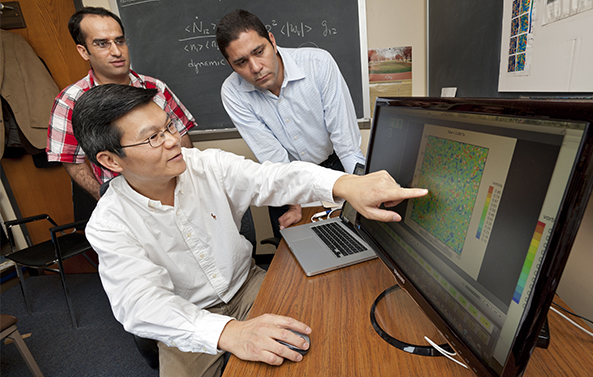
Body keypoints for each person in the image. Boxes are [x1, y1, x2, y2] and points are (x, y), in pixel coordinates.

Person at [72, 84, 427, 377]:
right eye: (153, 138)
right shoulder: (109, 224)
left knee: (322, 349)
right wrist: (229, 332)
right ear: (110, 160)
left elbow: (274, 178)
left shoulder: (206, 164)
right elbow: (142, 305)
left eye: (169, 127)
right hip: (188, 318)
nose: (172, 141)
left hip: (248, 286)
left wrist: (347, 184)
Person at [216, 9, 366, 238]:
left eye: (259, 51)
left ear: (272, 41)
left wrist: (362, 189)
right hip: (283, 180)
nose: (255, 67)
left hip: (333, 167)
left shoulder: (318, 64)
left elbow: (346, 145)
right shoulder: (233, 93)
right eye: (241, 62)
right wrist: (294, 203)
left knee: (351, 238)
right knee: (295, 256)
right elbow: (272, 156)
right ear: (230, 64)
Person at [47, 7, 197, 200]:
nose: (116, 51)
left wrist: (187, 183)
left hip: (177, 191)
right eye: (102, 44)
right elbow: (71, 159)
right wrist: (105, 198)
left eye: (120, 41)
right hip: (124, 200)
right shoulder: (70, 101)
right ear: (84, 51)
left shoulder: (155, 87)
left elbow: (181, 133)